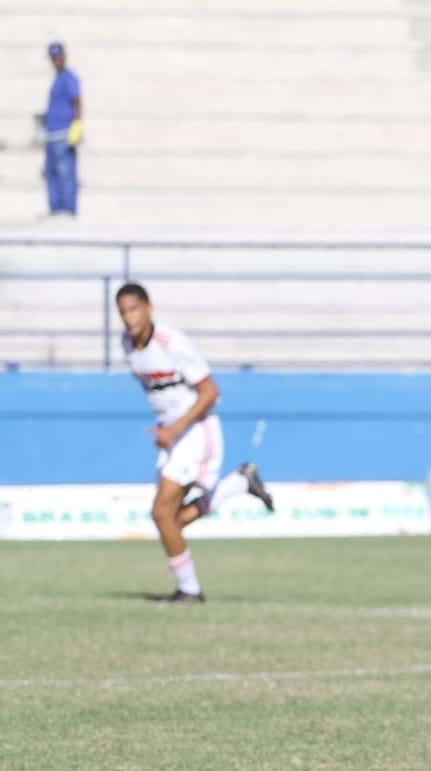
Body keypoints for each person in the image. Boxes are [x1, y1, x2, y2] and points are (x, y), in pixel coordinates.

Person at [116, 283, 275, 604]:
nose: (128, 318)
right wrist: (167, 429)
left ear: (149, 308)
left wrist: (174, 429)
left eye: (133, 309)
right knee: (169, 521)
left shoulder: (171, 343)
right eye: (122, 312)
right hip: (172, 435)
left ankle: (190, 590)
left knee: (162, 514)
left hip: (195, 432)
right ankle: (238, 484)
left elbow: (210, 392)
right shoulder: (128, 345)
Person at [42, 42, 82, 218]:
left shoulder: (69, 78)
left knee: (66, 172)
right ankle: (55, 209)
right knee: (51, 172)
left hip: (64, 133)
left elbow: (77, 102)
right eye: (53, 57)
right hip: (51, 134)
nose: (56, 60)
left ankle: (67, 209)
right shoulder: (56, 79)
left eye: (58, 57)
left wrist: (77, 127)